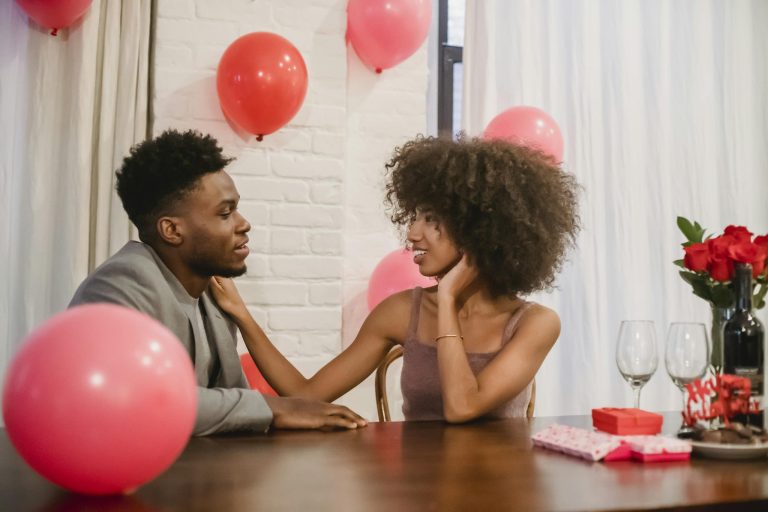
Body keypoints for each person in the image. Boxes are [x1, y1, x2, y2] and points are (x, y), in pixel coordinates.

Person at [211, 135, 580, 422]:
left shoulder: (535, 324)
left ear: (479, 228)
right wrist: (243, 316)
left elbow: (463, 407)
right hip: (416, 489)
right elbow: (306, 394)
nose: (413, 233)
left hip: (503, 491)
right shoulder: (400, 312)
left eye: (432, 219)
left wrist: (448, 300)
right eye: (414, 216)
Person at [70, 129, 366, 435]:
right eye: (225, 213)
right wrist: (272, 408)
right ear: (171, 230)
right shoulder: (120, 284)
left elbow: (227, 406)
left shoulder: (211, 292)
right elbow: (140, 400)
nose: (243, 224)